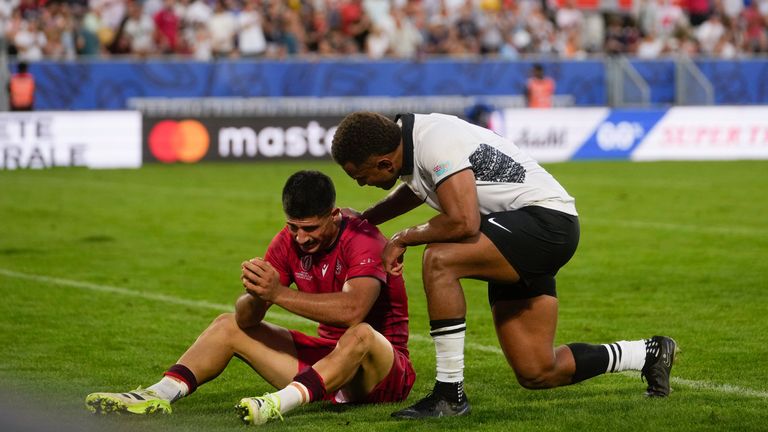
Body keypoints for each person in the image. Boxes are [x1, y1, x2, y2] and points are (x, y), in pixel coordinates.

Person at [331, 112, 677, 419]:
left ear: (384, 163)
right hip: (516, 231)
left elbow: (463, 222)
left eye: (360, 176)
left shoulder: (433, 140)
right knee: (537, 370)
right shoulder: (415, 144)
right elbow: (421, 190)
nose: (362, 184)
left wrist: (402, 237)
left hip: (544, 225)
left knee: (439, 260)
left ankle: (449, 394)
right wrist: (367, 219)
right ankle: (648, 352)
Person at [85, 170, 415, 425]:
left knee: (360, 334)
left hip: (382, 373)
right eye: (293, 227)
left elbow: (352, 312)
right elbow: (246, 320)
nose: (300, 238)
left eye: (310, 229)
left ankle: (277, 404)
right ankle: (157, 395)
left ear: (333, 215)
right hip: (326, 366)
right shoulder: (289, 240)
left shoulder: (363, 239)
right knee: (228, 325)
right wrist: (257, 295)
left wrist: (278, 292)